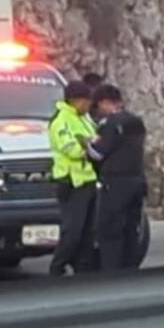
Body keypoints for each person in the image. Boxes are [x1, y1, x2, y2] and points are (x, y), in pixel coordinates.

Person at [84, 84, 147, 272]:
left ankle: (112, 272)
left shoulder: (111, 124)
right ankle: (130, 269)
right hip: (137, 180)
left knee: (110, 230)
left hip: (116, 183)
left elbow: (97, 154)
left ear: (105, 103)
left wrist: (86, 143)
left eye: (98, 105)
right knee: (131, 229)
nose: (98, 111)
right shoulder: (136, 122)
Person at [46, 80, 98, 276]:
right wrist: (88, 146)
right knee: (73, 231)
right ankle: (57, 267)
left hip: (88, 180)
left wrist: (89, 143)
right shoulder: (61, 121)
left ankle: (82, 269)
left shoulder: (84, 118)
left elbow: (95, 139)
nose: (88, 106)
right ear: (75, 100)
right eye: (85, 101)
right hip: (71, 182)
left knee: (88, 231)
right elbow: (71, 149)